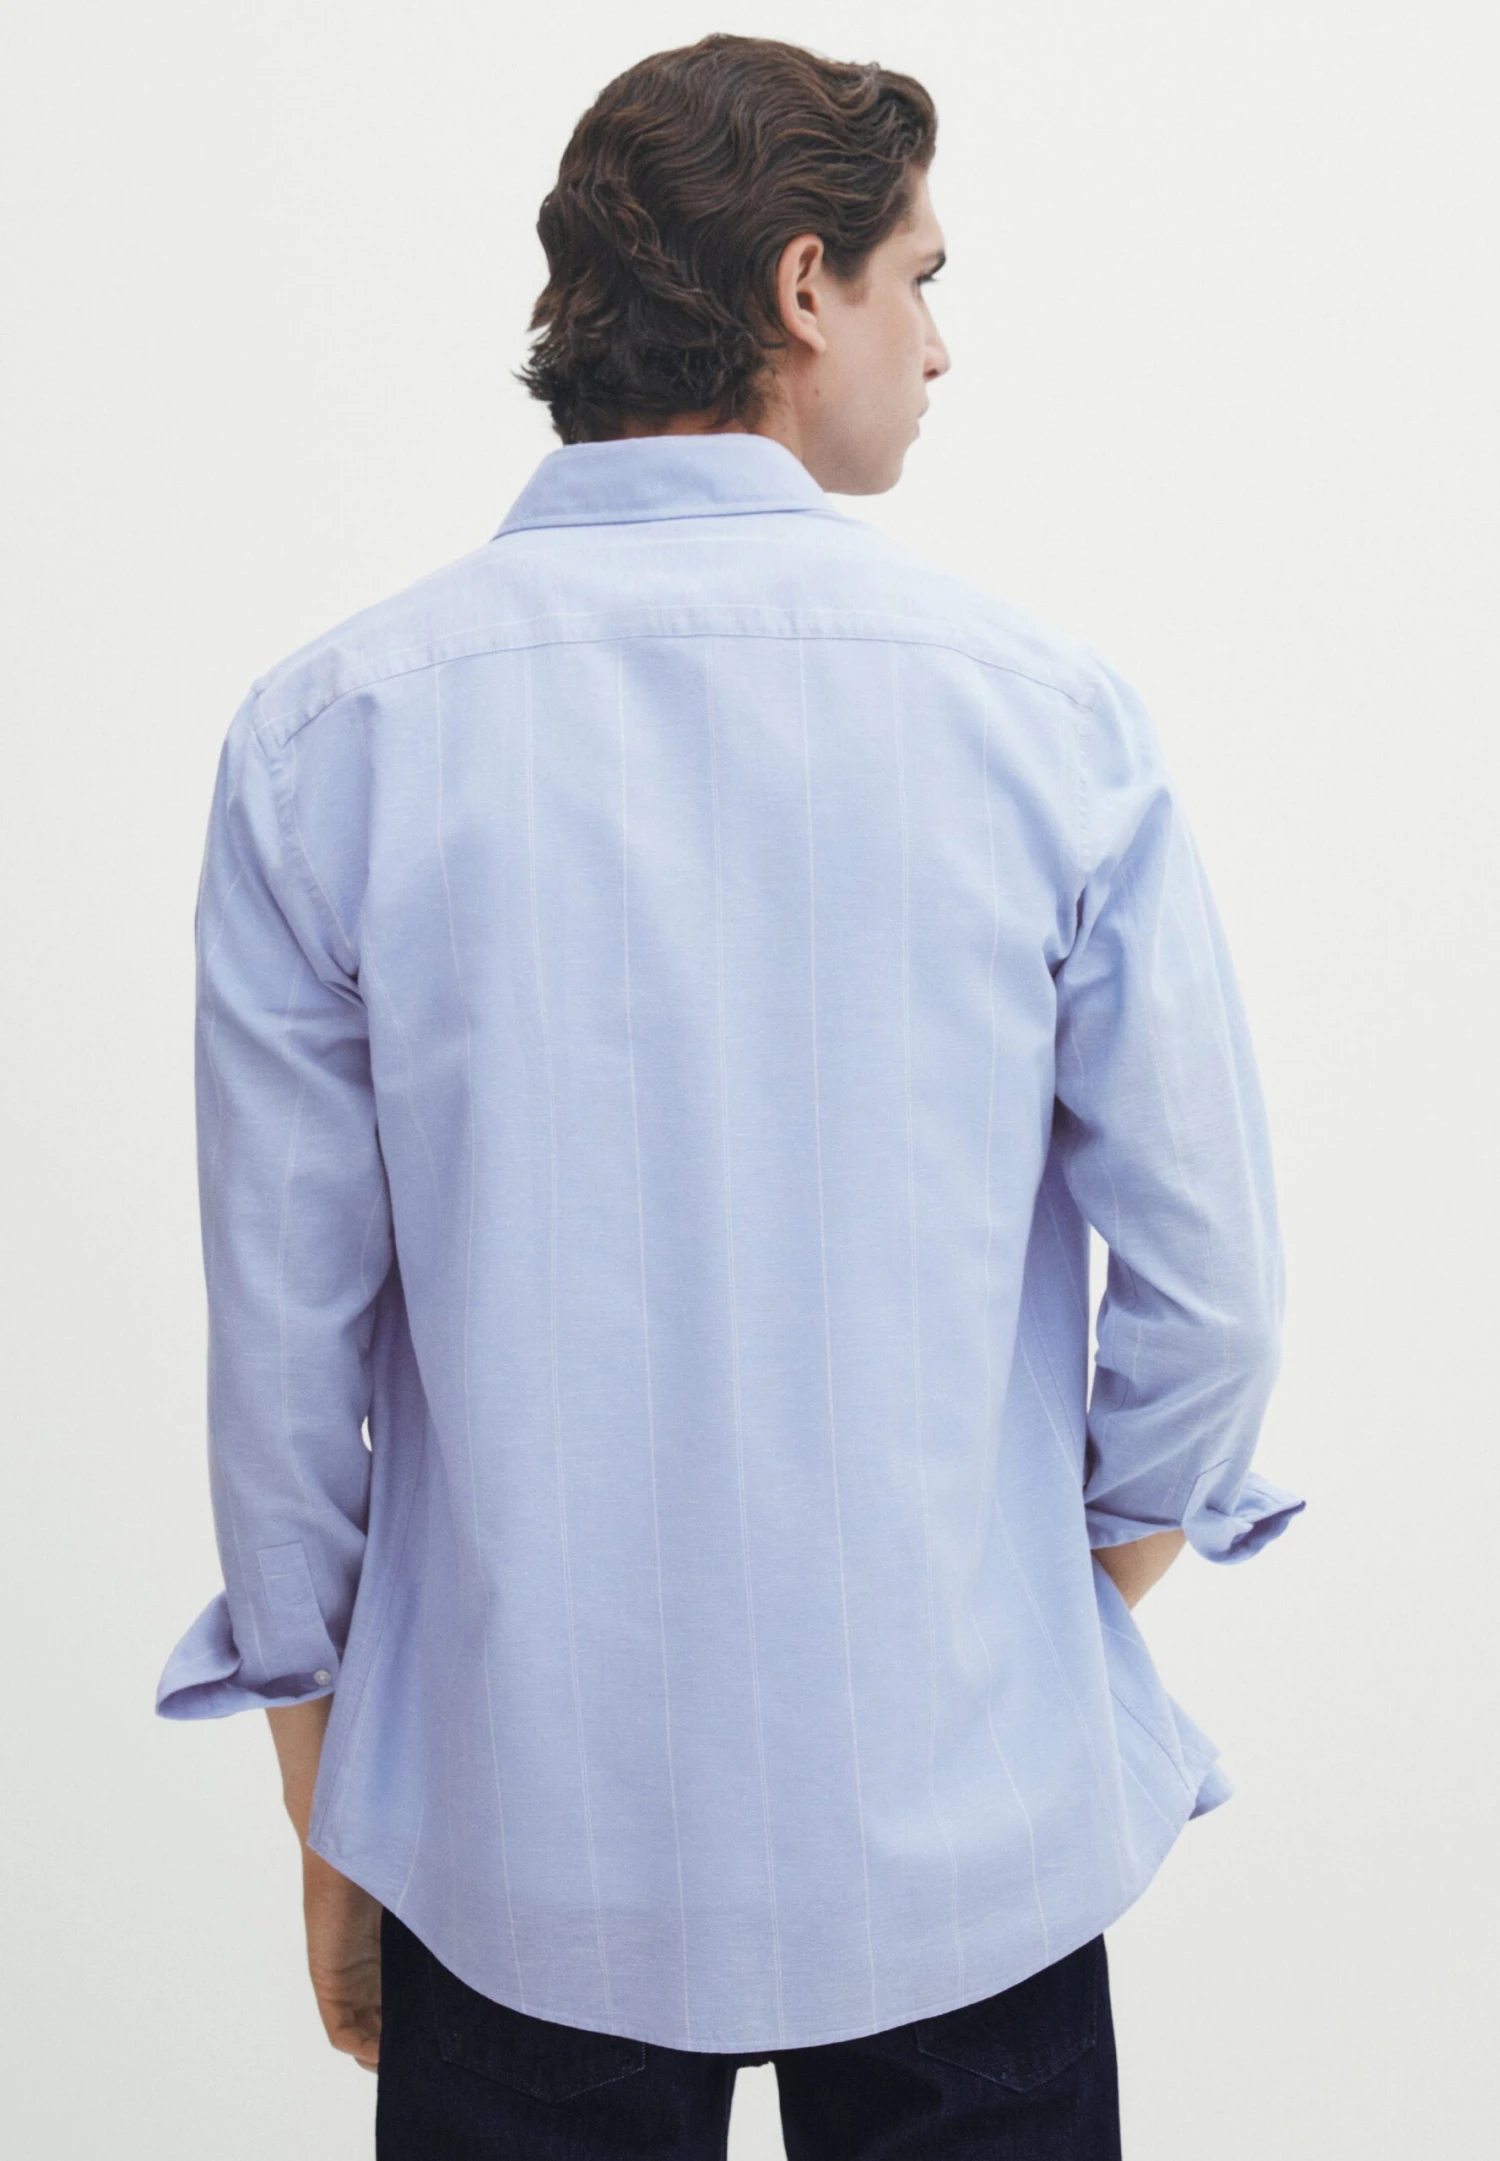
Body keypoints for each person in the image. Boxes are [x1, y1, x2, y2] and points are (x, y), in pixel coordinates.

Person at [154, 31, 1306, 2158]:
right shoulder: (1043, 720)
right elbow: (1213, 1296)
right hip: (973, 1831)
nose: (938, 347)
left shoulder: (333, 738)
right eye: (919, 280)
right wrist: (1038, 1618)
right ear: (801, 288)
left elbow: (284, 1361)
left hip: (514, 1844)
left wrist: (327, 1809)